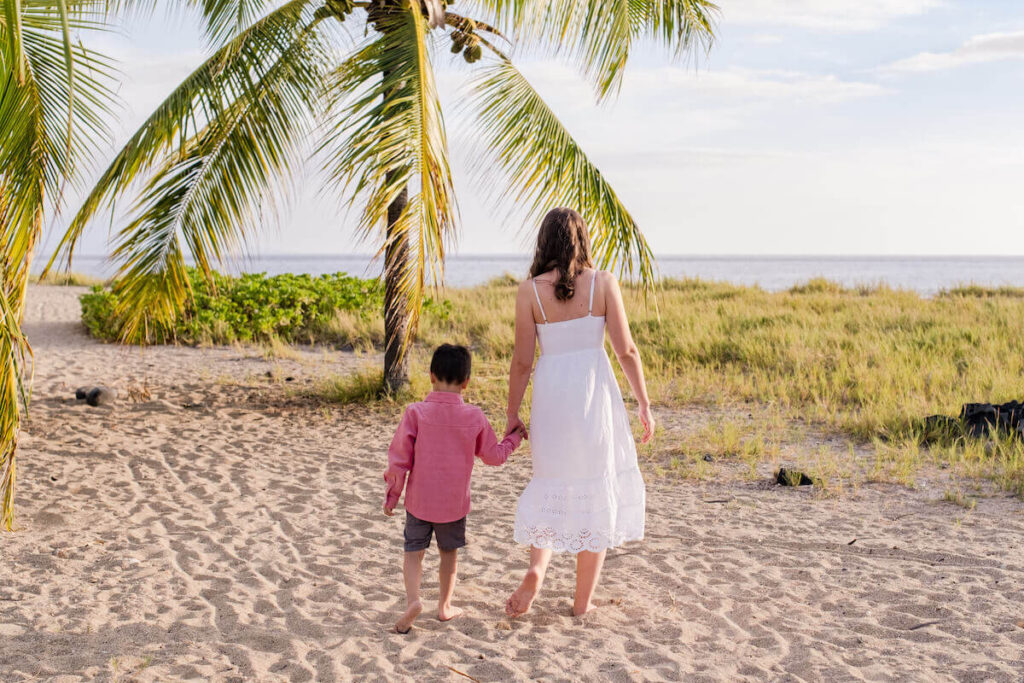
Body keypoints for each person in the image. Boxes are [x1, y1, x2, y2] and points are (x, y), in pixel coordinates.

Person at [504, 207, 654, 618]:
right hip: (594, 399)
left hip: (552, 397)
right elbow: (626, 350)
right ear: (582, 240)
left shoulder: (529, 291)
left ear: (544, 242)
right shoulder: (604, 283)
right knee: (595, 488)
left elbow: (521, 361)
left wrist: (512, 414)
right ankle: (581, 604)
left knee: (551, 483)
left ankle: (537, 569)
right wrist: (643, 402)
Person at [384, 343, 525, 633]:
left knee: (413, 552)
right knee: (448, 556)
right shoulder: (474, 417)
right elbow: (493, 456)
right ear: (466, 383)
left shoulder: (416, 412)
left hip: (419, 501)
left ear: (431, 375)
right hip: (453, 505)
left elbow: (399, 458)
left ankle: (413, 601)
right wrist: (513, 440)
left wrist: (392, 495)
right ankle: (445, 607)